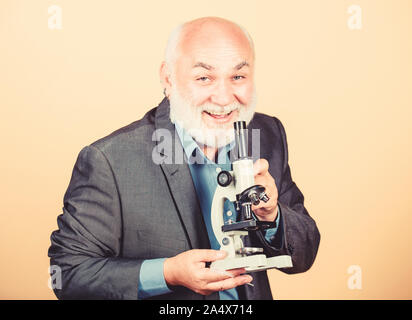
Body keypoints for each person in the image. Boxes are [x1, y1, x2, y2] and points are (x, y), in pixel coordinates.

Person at [48, 17, 320, 300]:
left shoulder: (267, 133)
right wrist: (167, 273)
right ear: (168, 78)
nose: (225, 97)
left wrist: (272, 214)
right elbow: (67, 274)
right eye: (204, 78)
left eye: (238, 77)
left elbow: (305, 252)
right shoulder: (110, 161)